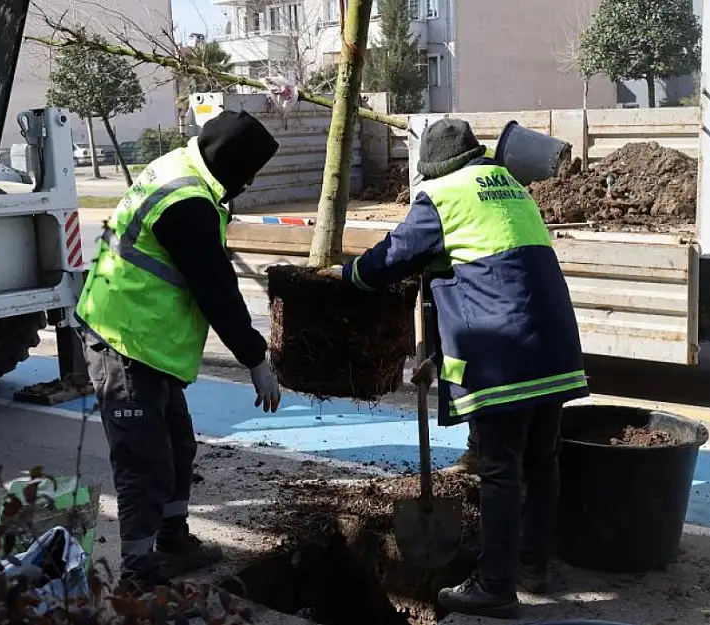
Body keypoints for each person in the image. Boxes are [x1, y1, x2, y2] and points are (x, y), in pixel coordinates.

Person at [336, 118, 588, 619]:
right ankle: (533, 567)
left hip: (504, 354)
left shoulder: (443, 197)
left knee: (499, 470)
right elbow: (474, 267)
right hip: (553, 344)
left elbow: (393, 258)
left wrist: (349, 275)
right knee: (540, 461)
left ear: (434, 168)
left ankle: (495, 587)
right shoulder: (510, 187)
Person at [75, 110, 283, 589]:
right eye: (248, 174)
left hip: (151, 342)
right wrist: (256, 360)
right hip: (124, 337)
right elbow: (216, 289)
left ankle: (172, 540)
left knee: (178, 447)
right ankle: (138, 574)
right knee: (144, 461)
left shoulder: (184, 167)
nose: (249, 185)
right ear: (231, 165)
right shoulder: (187, 202)